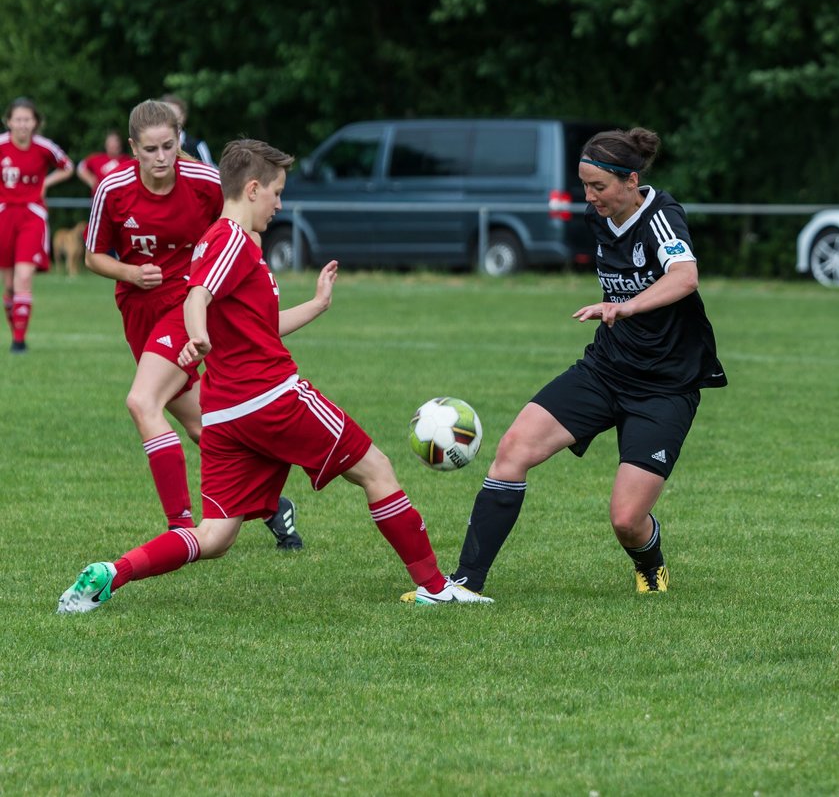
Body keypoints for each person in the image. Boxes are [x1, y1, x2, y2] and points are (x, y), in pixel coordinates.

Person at [58, 138, 489, 613]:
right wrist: (198, 336)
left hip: (225, 415)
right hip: (273, 399)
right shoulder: (230, 240)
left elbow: (260, 324)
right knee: (377, 470)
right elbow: (196, 297)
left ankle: (110, 574)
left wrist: (318, 304)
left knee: (216, 535)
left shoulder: (221, 242)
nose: (280, 204)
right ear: (254, 188)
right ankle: (434, 587)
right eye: (277, 193)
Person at [447, 127, 727, 598]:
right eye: (584, 185)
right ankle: (464, 584)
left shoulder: (660, 216)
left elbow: (685, 277)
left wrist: (627, 306)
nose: (589, 196)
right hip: (605, 368)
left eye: (598, 186)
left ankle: (651, 564)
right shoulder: (597, 217)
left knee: (626, 520)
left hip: (664, 387)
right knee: (513, 450)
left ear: (630, 181)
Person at [85, 100, 301, 547]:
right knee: (203, 424)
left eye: (169, 145)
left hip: (188, 306)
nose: (161, 157)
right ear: (132, 149)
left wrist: (249, 286)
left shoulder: (204, 182)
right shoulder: (112, 189)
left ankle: (181, 526)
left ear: (180, 140)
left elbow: (246, 227)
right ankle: (271, 503)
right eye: (150, 149)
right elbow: (93, 255)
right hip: (138, 312)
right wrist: (129, 272)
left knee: (143, 402)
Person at [0, 97, 74, 353]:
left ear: (35, 123)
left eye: (27, 120)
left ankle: (19, 341)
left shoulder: (44, 147)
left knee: (23, 277)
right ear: (9, 121)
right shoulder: (1, 145)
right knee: (9, 284)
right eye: (17, 119)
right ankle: (15, 332)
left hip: (32, 216)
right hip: (4, 215)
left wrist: (45, 184)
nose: (22, 125)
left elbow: (67, 167)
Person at [160, 93, 214, 166]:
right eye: (163, 115)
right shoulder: (150, 144)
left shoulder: (197, 146)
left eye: (173, 115)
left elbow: (210, 173)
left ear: (183, 117)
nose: (168, 119)